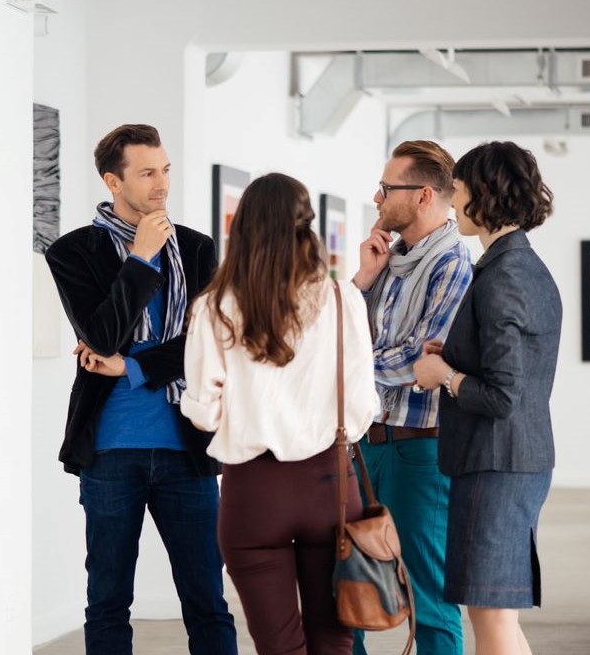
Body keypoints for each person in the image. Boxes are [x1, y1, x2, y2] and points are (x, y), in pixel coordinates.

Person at [45, 124, 237, 654]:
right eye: (147, 172)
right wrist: (141, 259)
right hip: (110, 451)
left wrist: (130, 366)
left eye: (165, 170)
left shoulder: (196, 249)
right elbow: (101, 336)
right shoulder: (72, 253)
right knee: (107, 602)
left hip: (187, 447)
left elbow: (207, 344)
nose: (162, 183)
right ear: (114, 181)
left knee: (207, 601)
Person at [181, 173, 379, 655]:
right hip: (329, 487)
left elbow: (204, 413)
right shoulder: (342, 299)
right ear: (306, 227)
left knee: (278, 647)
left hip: (254, 491)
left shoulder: (215, 307)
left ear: (243, 230)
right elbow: (361, 410)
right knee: (334, 639)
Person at [413, 141, 559, 655]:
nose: (452, 202)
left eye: (457, 190)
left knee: (490, 614)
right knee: (498, 614)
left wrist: (443, 374)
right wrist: (454, 355)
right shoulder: (521, 267)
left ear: (483, 193)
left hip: (495, 462)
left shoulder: (503, 277)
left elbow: (502, 395)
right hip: (513, 460)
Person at [350, 140, 473, 655]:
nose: (376, 197)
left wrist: (356, 359)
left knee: (428, 598)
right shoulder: (387, 258)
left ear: (422, 195)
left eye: (386, 187)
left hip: (420, 450)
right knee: (347, 589)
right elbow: (339, 336)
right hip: (363, 445)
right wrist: (362, 281)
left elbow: (418, 362)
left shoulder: (454, 264)